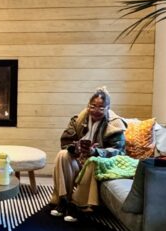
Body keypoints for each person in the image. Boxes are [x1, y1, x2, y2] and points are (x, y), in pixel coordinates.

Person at [50, 87, 126, 221]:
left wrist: (95, 152)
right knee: (62, 155)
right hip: (79, 159)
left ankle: (77, 205)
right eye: (93, 106)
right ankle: (63, 199)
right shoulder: (78, 120)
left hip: (99, 163)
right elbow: (66, 141)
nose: (96, 110)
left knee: (92, 161)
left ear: (108, 108)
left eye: (101, 108)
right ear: (88, 105)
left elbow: (118, 151)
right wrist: (75, 148)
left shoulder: (114, 124)